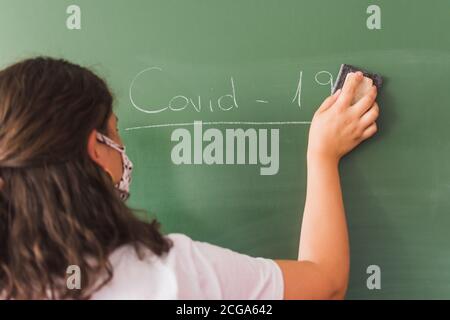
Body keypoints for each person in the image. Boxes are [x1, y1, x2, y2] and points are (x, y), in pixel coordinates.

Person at [0, 57, 379, 299]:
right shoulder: (169, 277)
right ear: (94, 150)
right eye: (116, 134)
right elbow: (326, 283)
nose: (123, 150)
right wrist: (322, 155)